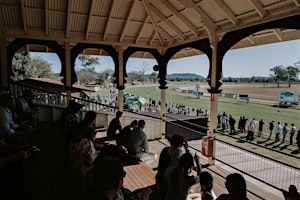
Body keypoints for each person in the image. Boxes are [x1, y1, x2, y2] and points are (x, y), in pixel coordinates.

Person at [68, 111, 101, 182]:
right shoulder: (87, 143)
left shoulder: (74, 140)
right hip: (81, 172)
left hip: (72, 169)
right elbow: (91, 161)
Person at [155, 135, 188, 199]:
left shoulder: (165, 150)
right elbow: (187, 163)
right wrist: (187, 149)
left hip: (161, 178)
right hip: (169, 181)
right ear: (180, 144)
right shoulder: (179, 153)